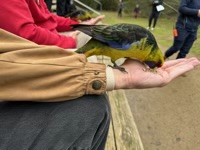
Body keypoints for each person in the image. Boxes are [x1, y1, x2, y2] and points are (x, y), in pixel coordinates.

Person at [0, 29, 199, 150]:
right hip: (101, 45)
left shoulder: (145, 50)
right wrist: (120, 76)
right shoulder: (141, 43)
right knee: (91, 106)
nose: (151, 65)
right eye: (153, 63)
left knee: (94, 105)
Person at [0, 0, 104, 49]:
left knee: (99, 32)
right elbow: (27, 34)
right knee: (96, 39)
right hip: (36, 52)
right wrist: (69, 41)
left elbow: (49, 18)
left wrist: (80, 25)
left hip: (50, 41)